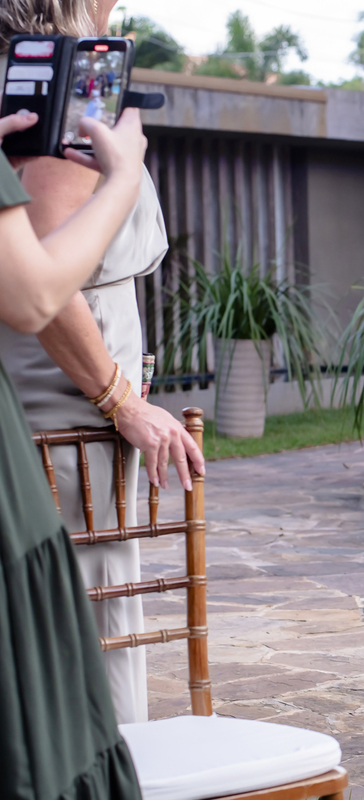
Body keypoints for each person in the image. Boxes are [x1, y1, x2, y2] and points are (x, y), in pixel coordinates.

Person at [0, 0, 204, 725]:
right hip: (64, 404)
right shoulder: (62, 98)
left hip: (75, 394)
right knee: (89, 626)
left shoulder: (57, 77)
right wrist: (121, 399)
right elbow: (42, 288)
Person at [0, 106, 150, 800]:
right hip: (64, 414)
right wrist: (122, 175)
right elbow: (36, 297)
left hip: (77, 414)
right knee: (73, 634)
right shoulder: (56, 144)